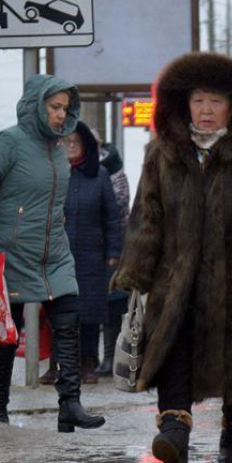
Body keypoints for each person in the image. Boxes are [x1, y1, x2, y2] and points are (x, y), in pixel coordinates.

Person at [112, 52, 232, 463]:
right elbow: (147, 214)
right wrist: (136, 270)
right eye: (198, 101)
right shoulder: (163, 152)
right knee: (173, 350)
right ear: (183, 103)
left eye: (215, 101)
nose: (206, 110)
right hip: (177, 279)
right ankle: (174, 432)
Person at [0, 74, 105, 432]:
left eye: (65, 108)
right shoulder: (8, 143)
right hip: (11, 252)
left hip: (54, 252)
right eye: (54, 107)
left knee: (68, 320)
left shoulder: (58, 148)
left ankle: (69, 404)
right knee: (6, 337)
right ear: (36, 105)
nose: (61, 115)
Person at [60, 120, 123, 384]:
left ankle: (88, 363)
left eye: (75, 142)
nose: (70, 147)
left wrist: (112, 252)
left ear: (85, 146)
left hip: (91, 255)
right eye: (65, 142)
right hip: (60, 255)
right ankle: (61, 365)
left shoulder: (98, 176)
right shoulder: (55, 174)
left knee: (89, 314)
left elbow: (112, 216)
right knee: (61, 313)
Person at [96, 140, 131, 376]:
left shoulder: (114, 174)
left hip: (114, 248)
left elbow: (117, 208)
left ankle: (111, 357)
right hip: (94, 247)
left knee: (113, 305)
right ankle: (100, 358)